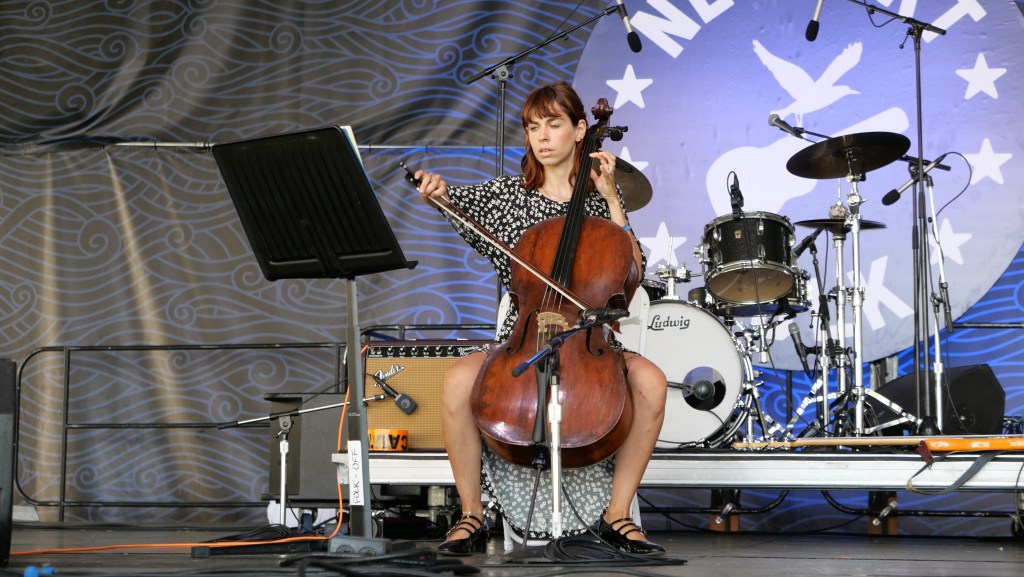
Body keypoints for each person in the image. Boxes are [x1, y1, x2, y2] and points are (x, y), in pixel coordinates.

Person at [414, 81, 667, 556]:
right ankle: (471, 514)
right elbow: (455, 202)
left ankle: (617, 515)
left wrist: (613, 200)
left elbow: (634, 268)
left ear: (580, 130)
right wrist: (437, 193)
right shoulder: (509, 196)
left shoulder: (600, 201)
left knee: (651, 383)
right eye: (533, 128)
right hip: (524, 337)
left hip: (589, 339)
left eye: (554, 124)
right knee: (457, 380)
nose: (543, 137)